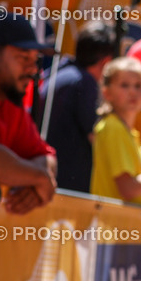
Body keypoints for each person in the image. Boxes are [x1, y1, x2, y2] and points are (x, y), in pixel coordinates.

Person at [0, 13, 57, 214]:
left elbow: (45, 155)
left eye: (35, 61)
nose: (33, 70)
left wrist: (34, 182)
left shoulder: (5, 96)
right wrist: (40, 178)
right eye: (23, 58)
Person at [35, 21, 114, 193]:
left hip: (47, 179)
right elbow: (96, 137)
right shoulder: (85, 82)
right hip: (65, 188)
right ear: (106, 62)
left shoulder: (60, 72)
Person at [90, 57, 141, 203]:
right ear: (107, 93)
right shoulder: (113, 127)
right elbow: (128, 189)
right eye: (124, 85)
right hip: (113, 223)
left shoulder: (129, 132)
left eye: (138, 85)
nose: (132, 92)